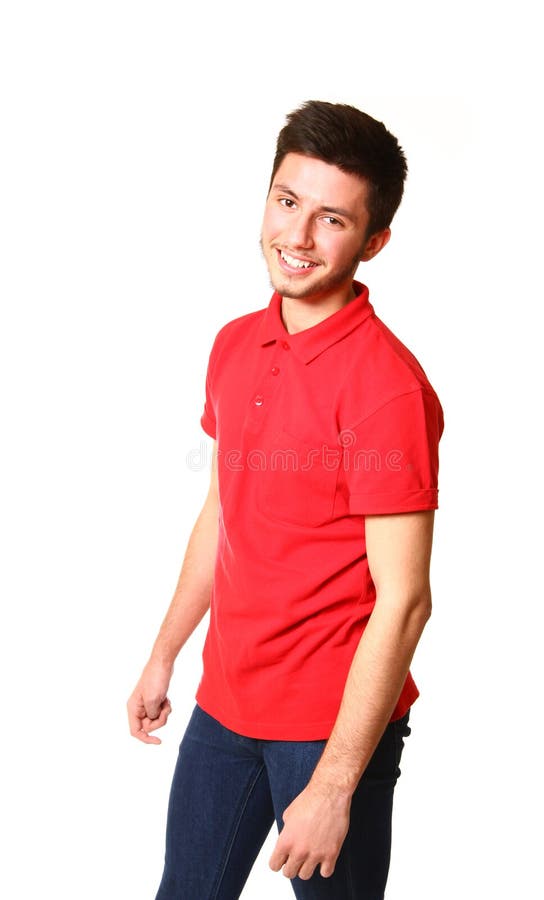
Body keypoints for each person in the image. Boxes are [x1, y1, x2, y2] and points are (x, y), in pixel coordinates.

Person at [127, 100, 444, 899]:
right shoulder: (237, 342)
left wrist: (336, 783)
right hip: (226, 705)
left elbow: (405, 601)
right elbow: (223, 513)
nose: (297, 238)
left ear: (374, 242)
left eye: (331, 219)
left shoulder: (386, 389)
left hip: (332, 728)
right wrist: (165, 653)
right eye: (286, 201)